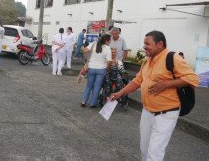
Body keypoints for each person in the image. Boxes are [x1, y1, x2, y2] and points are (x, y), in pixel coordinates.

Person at [109, 30, 199, 161]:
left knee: (155, 152)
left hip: (166, 113)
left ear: (160, 44)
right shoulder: (147, 61)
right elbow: (137, 81)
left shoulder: (173, 58)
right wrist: (119, 93)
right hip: (147, 111)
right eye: (144, 43)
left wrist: (167, 84)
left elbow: (193, 79)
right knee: (144, 149)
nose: (144, 46)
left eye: (147, 43)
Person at [81, 34, 112, 108]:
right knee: (97, 86)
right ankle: (92, 103)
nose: (110, 42)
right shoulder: (107, 48)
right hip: (101, 70)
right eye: (110, 40)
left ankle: (83, 101)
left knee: (89, 85)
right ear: (106, 41)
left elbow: (85, 50)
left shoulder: (94, 44)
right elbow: (109, 62)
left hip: (91, 68)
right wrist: (107, 70)